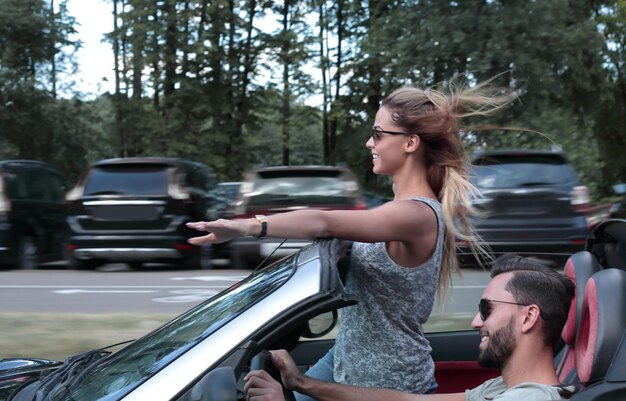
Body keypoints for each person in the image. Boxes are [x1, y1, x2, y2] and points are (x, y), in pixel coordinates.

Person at [187, 78, 515, 398]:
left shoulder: (416, 215)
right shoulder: (398, 211)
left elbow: (325, 222)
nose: (370, 143)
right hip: (345, 358)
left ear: (410, 143)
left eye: (378, 133)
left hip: (386, 380)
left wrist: (244, 227)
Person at [243, 254, 577, 401]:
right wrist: (302, 383)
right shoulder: (499, 390)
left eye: (486, 309)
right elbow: (403, 400)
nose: (476, 321)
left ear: (529, 317)